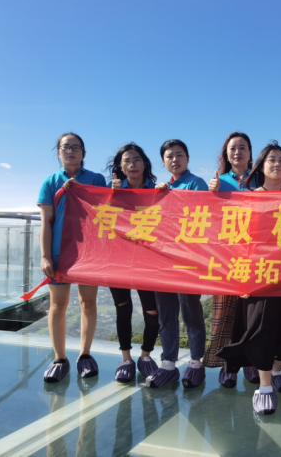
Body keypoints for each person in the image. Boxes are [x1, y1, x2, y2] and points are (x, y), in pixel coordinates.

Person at [216, 141, 281, 416]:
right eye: (272, 160)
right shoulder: (249, 198)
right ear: (261, 166)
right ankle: (264, 387)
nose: (277, 164)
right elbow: (236, 240)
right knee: (262, 329)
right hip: (258, 276)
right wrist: (240, 280)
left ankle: (276, 370)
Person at [38, 132, 108, 383]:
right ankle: (59, 359)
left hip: (89, 252)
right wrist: (45, 256)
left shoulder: (96, 179)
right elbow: (46, 223)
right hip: (59, 252)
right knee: (58, 306)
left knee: (88, 303)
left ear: (83, 153)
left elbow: (107, 211)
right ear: (58, 152)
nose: (70, 151)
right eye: (65, 147)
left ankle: (85, 356)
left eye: (76, 147)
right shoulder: (50, 182)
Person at [147, 139, 209, 388]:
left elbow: (201, 216)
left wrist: (170, 195)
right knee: (166, 313)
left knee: (190, 310)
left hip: (188, 259)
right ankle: (168, 364)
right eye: (170, 156)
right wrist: (159, 196)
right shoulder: (161, 188)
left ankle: (195, 363)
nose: (175, 159)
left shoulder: (196, 183)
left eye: (179, 155)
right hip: (162, 259)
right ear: (163, 162)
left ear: (188, 158)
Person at [203, 131, 260, 388]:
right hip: (226, 256)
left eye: (242, 147)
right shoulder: (218, 182)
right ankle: (227, 365)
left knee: (251, 313)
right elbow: (206, 217)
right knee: (225, 311)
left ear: (250, 153)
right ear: (226, 154)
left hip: (257, 255)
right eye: (232, 148)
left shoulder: (261, 179)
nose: (237, 152)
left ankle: (250, 362)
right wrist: (211, 194)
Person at [105, 143, 161, 383]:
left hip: (148, 260)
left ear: (144, 163)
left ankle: (146, 356)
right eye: (126, 161)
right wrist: (110, 195)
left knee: (152, 312)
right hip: (118, 259)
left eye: (136, 159)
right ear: (120, 166)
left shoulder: (157, 191)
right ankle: (126, 359)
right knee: (123, 309)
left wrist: (165, 192)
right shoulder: (111, 191)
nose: (132, 164)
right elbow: (97, 219)